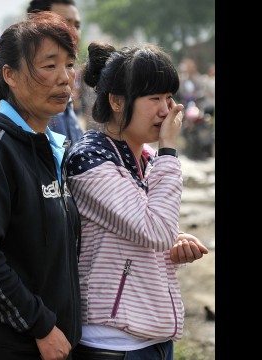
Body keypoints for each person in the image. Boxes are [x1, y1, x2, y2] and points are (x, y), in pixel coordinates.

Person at [65, 42, 210, 360]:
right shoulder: (90, 159)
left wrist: (173, 246)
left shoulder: (145, 157)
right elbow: (155, 230)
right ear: (116, 101)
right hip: (112, 343)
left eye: (169, 98)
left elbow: (147, 236)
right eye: (154, 98)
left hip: (151, 337)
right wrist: (169, 151)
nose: (166, 109)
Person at [0, 11, 81, 360]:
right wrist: (39, 326)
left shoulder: (52, 147)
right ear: (9, 74)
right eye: (49, 65)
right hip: (5, 346)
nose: (64, 79)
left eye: (69, 65)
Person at [27, 0, 84, 144]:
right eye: (63, 24)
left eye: (77, 26)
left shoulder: (64, 96)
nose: (73, 33)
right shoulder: (28, 108)